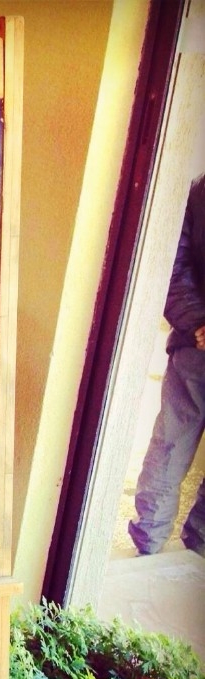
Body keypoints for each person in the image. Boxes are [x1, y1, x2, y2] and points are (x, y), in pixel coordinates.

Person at [128, 174, 205, 557]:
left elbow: (171, 266)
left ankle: (148, 543)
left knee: (171, 443)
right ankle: (196, 549)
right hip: (195, 344)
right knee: (169, 444)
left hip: (195, 343)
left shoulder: (199, 190)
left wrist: (197, 323)